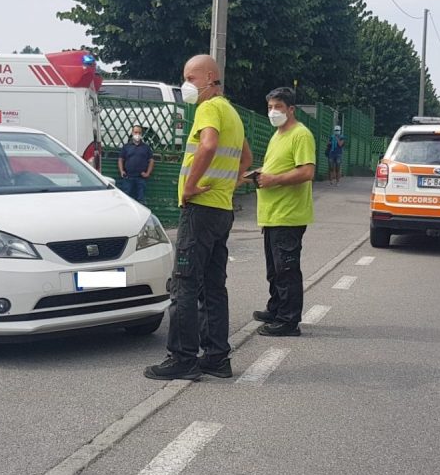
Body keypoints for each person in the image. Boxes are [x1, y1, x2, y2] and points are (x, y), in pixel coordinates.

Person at [145, 54, 251, 381]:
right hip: (220, 209)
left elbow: (207, 145)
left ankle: (182, 358)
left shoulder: (209, 108)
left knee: (185, 285)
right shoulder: (231, 112)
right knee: (213, 286)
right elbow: (246, 157)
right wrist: (228, 184)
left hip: (199, 210)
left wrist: (190, 186)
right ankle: (216, 357)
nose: (185, 84)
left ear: (209, 76)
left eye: (189, 78)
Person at [251, 87, 316, 336]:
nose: (273, 112)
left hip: (288, 214)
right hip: (272, 213)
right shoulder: (277, 135)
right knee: (274, 269)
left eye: (278, 107)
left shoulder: (301, 135)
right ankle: (276, 308)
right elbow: (274, 168)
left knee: (287, 269)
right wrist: (258, 176)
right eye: (269, 107)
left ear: (291, 109)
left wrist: (274, 179)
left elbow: (306, 172)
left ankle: (289, 320)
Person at [117, 126, 154, 203]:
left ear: (142, 134)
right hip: (128, 177)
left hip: (141, 178)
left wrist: (147, 173)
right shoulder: (126, 147)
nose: (137, 134)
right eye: (135, 132)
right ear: (132, 133)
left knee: (141, 200)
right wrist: (121, 171)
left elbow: (151, 160)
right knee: (126, 199)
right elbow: (121, 159)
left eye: (139, 133)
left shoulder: (146, 147)